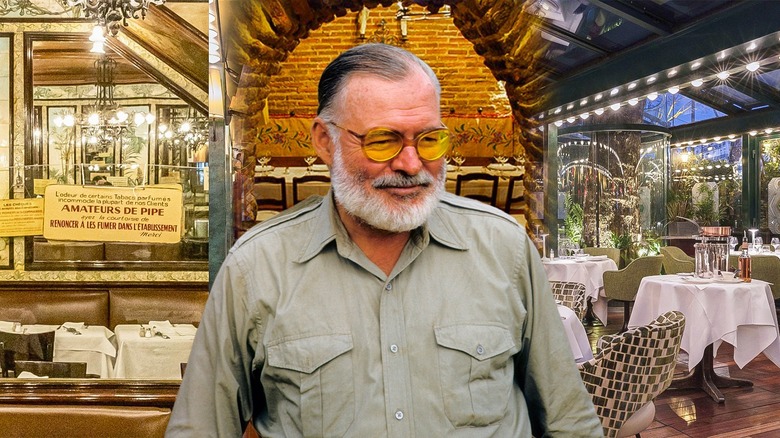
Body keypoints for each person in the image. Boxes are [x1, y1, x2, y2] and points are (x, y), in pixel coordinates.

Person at [167, 43, 602, 437]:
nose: (412, 163)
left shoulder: (505, 249)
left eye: (429, 139)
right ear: (325, 140)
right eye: (382, 140)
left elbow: (569, 423)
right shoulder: (256, 267)